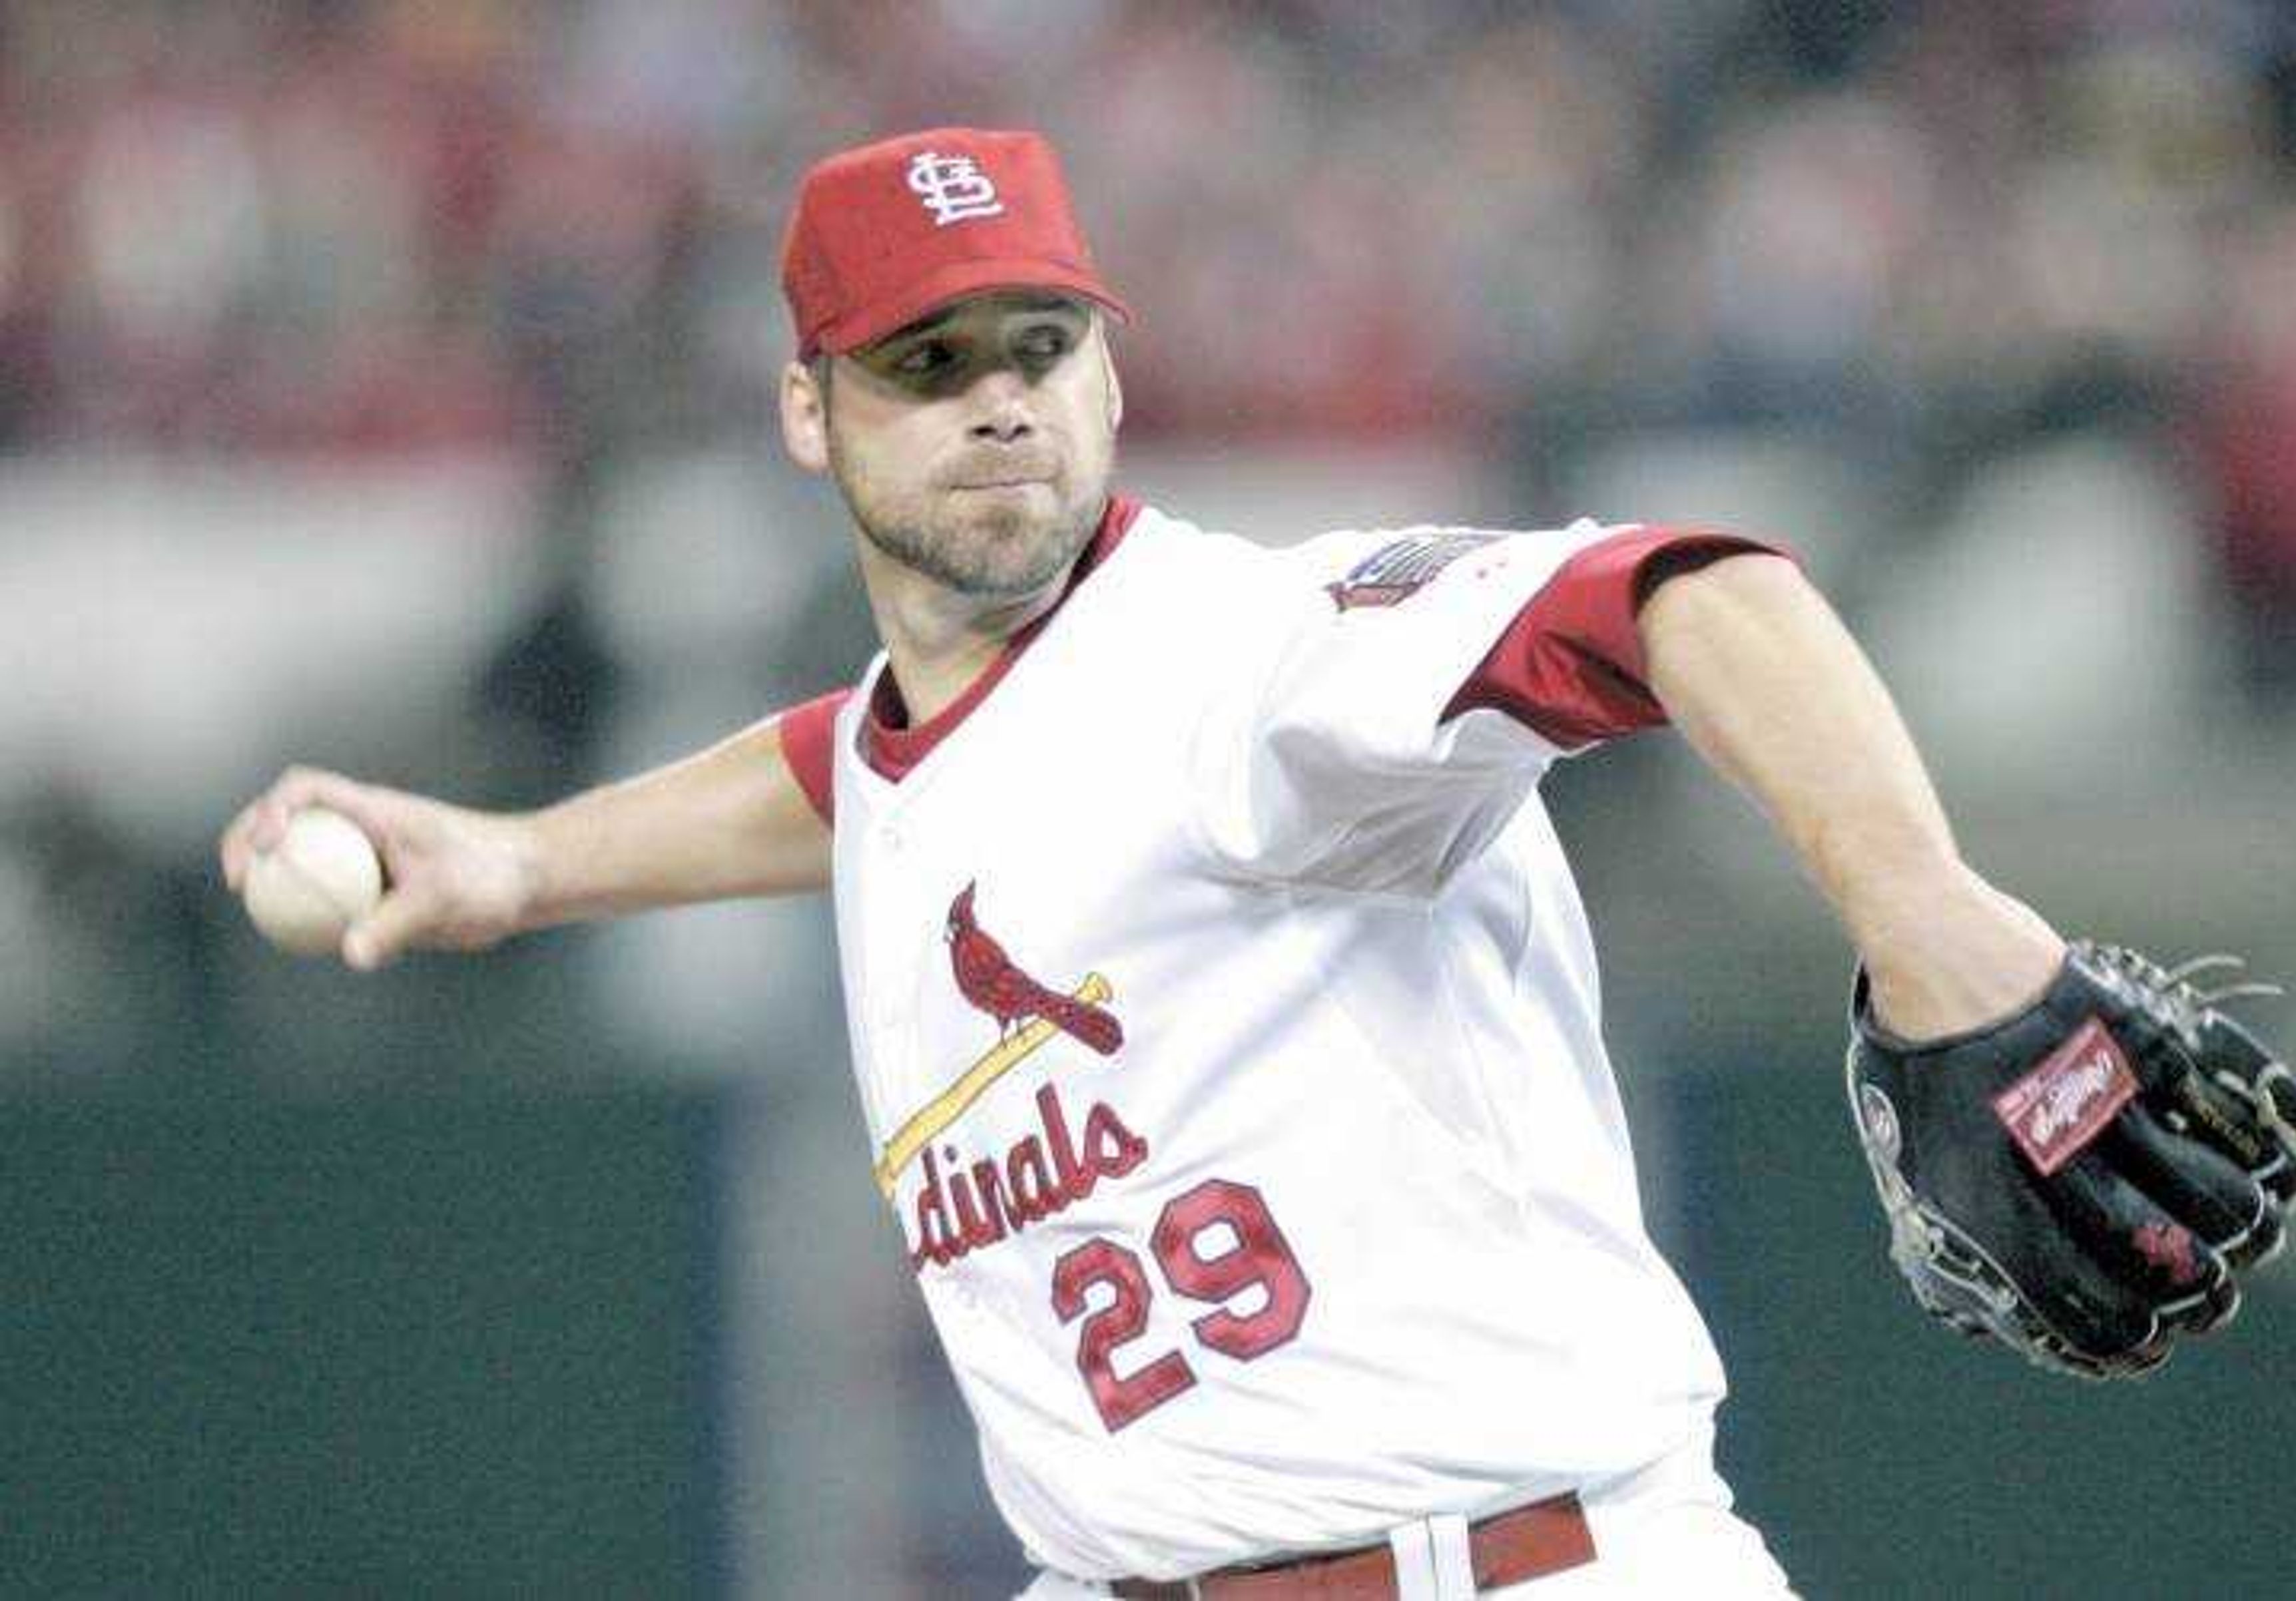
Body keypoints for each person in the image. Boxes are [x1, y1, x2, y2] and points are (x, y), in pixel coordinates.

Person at [222, 127, 2071, 1598]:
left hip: (1524, 1570)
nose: (1001, 403)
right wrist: (517, 865)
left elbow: (1699, 596)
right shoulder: (931, 739)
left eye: (1039, 346)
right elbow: (858, 772)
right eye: (925, 364)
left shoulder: (1257, 657)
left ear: (1110, 365)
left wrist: (1927, 919)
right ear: (810, 411)